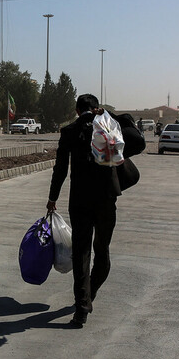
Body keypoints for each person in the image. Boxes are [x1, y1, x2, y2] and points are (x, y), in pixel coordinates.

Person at [46, 94, 121, 328]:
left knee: (81, 254)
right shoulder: (108, 126)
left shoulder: (69, 131)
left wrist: (52, 197)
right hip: (106, 200)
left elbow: (60, 168)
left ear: (77, 110)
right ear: (96, 108)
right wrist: (108, 115)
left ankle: (82, 308)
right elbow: (136, 140)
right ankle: (90, 293)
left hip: (79, 201)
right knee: (102, 251)